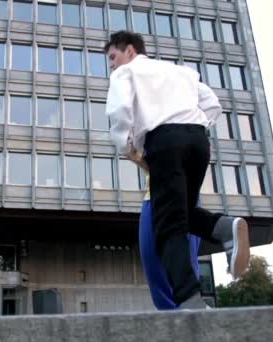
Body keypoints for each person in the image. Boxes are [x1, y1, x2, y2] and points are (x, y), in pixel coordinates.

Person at [105, 31, 250, 309]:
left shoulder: (125, 73)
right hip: (197, 141)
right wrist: (191, 126)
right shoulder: (181, 72)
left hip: (164, 142)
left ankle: (188, 300)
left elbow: (120, 109)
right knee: (181, 212)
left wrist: (127, 146)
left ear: (130, 51)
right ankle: (224, 227)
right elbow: (212, 104)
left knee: (168, 228)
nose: (111, 64)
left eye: (113, 57)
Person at [138, 173, 202, 310]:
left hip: (181, 194)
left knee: (182, 286)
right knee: (159, 288)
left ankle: (224, 226)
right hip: (153, 195)